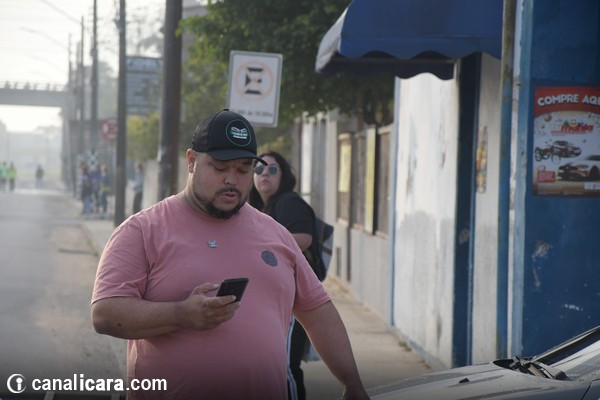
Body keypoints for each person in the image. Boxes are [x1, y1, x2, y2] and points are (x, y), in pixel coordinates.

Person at [91, 109, 369, 400]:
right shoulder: (142, 230)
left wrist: (351, 383)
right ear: (192, 161)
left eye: (243, 169)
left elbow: (317, 310)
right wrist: (180, 314)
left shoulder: (275, 234)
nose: (232, 180)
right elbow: (105, 314)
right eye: (220, 168)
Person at [248, 151, 320, 400]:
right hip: (273, 299)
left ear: (284, 175)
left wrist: (259, 247)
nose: (264, 174)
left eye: (272, 169)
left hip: (291, 300)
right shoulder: (259, 207)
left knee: (286, 367)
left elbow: (304, 238)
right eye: (259, 169)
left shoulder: (289, 202)